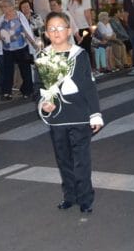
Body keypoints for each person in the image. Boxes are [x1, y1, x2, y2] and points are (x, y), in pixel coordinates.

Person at [38, 11, 103, 213]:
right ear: (46, 33)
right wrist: (44, 104)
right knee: (63, 159)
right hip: (57, 118)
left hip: (79, 116)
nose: (56, 32)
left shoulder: (79, 55)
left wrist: (95, 114)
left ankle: (85, 198)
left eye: (60, 28)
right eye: (51, 29)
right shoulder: (43, 56)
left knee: (81, 160)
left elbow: (89, 86)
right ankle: (70, 196)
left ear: (68, 31)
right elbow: (38, 86)